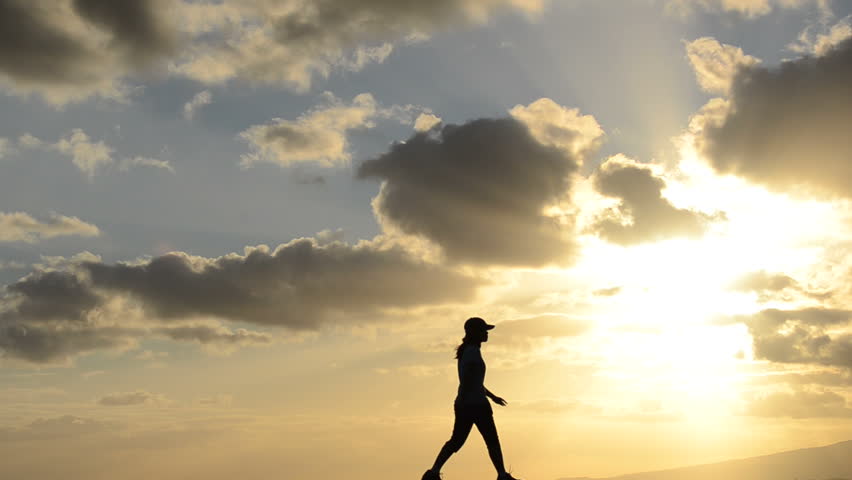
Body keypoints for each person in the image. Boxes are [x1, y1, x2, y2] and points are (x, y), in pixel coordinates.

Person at [422, 317, 521, 480]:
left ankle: (433, 473)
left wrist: (492, 397)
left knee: (458, 441)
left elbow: (474, 382)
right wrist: (469, 399)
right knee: (491, 441)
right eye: (484, 330)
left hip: (469, 403)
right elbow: (468, 380)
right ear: (474, 332)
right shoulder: (472, 352)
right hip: (476, 405)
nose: (487, 333)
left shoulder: (469, 351)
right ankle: (502, 476)